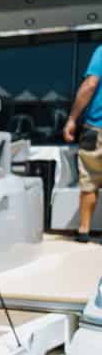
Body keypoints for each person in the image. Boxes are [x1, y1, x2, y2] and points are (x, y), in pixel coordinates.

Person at [63, 43, 102, 241]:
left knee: (89, 180)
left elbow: (90, 84)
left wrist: (72, 119)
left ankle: (84, 230)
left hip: (96, 128)